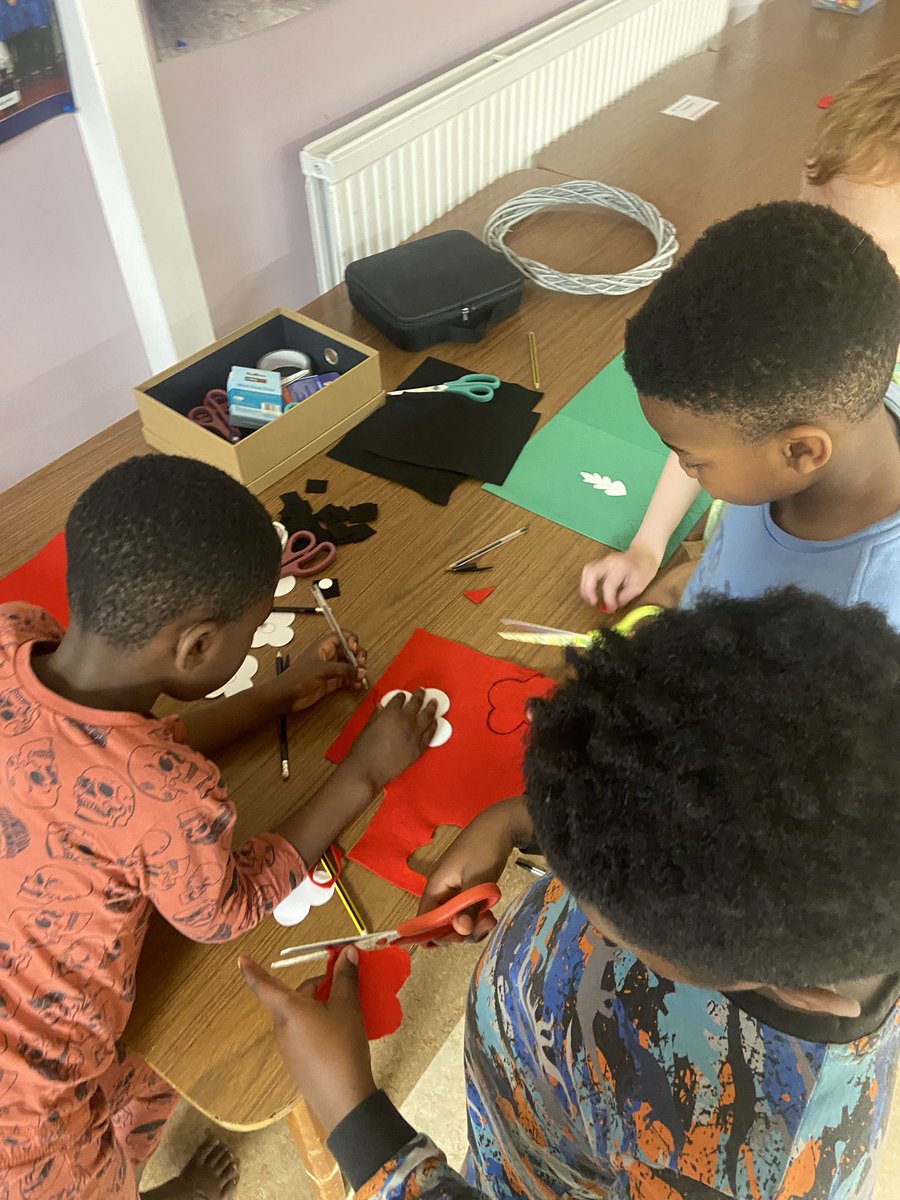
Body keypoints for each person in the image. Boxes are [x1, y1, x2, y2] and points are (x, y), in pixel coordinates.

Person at [243, 590, 900, 1200]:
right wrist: (516, 818)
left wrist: (358, 1124)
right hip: (529, 1113)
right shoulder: (797, 868)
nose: (565, 874)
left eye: (610, 924)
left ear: (801, 989)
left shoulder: (753, 1168)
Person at [0, 455, 437, 1200]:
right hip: (33, 1129)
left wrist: (272, 696)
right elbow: (224, 909)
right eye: (252, 627)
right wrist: (365, 770)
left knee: (139, 1082)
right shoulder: (171, 797)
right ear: (199, 648)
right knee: (101, 1180)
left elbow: (102, 756)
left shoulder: (14, 632)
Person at [581, 53, 900, 614]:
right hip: (740, 537)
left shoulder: (861, 597)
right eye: (806, 216)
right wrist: (649, 548)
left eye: (844, 239)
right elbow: (712, 426)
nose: (807, 258)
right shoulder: (783, 398)